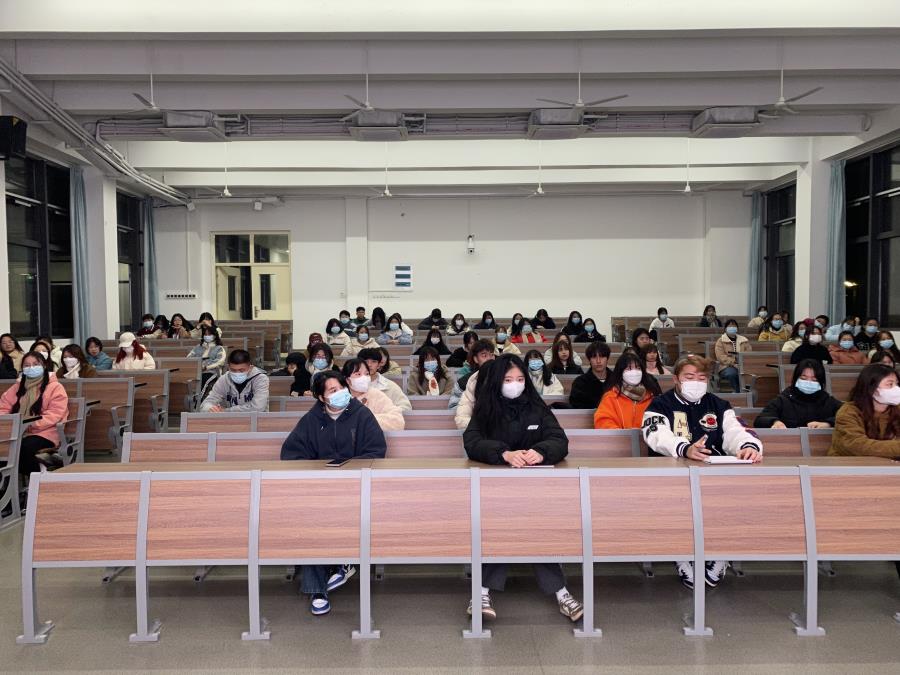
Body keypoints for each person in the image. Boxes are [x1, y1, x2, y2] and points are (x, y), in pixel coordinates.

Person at [463, 355, 583, 623]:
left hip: (534, 491)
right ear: (497, 382)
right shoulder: (486, 409)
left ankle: (561, 593)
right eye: (508, 380)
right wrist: (503, 453)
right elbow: (472, 442)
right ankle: (480, 593)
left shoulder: (536, 407)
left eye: (519, 379)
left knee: (535, 529)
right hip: (496, 491)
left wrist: (540, 452)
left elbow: (559, 440)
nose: (514, 384)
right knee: (499, 529)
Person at [642, 355, 763, 589]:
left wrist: (748, 446)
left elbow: (735, 431)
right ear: (676, 379)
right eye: (689, 377)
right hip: (672, 474)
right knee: (676, 506)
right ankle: (682, 556)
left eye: (701, 378)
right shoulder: (660, 405)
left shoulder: (719, 405)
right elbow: (656, 435)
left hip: (712, 474)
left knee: (732, 500)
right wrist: (685, 448)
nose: (695, 382)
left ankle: (720, 554)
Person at [280, 370, 386, 616]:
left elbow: (376, 451)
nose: (340, 394)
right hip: (319, 491)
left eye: (342, 388)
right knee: (311, 522)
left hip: (357, 488)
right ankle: (318, 589)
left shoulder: (362, 415)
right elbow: (291, 455)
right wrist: (317, 476)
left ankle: (343, 562)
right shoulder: (311, 420)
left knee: (345, 517)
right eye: (333, 391)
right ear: (321, 397)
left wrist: (350, 471)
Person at [0, 352, 68, 473]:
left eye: (35, 364)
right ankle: (8, 481)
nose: (31, 368)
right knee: (5, 447)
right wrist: (10, 425)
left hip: (45, 432)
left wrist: (30, 424)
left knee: (24, 447)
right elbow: (3, 407)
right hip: (17, 432)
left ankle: (38, 476)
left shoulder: (55, 387)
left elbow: (55, 414)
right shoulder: (17, 387)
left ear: (44, 366)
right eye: (27, 365)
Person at [829, 364, 900, 458]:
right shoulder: (848, 411)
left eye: (897, 384)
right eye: (890, 384)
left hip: (886, 464)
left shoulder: (897, 409)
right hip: (849, 464)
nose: (896, 389)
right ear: (871, 388)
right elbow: (856, 445)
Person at [755, 359, 843, 429]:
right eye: (803, 378)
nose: (809, 382)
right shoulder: (783, 399)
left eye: (814, 379)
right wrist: (775, 422)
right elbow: (760, 420)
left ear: (821, 382)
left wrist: (828, 423)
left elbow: (848, 415)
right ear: (796, 379)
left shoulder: (827, 400)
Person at [594, 352, 661, 429]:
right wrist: (623, 434)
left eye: (638, 368)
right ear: (621, 372)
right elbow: (603, 421)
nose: (634, 372)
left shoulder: (651, 396)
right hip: (620, 436)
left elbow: (660, 422)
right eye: (629, 369)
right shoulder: (611, 397)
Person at [341, 359, 405, 430]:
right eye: (358, 374)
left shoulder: (376, 395)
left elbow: (398, 421)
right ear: (347, 380)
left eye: (366, 374)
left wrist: (365, 419)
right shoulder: (339, 397)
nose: (364, 378)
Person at [200, 349, 269, 412]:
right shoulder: (223, 379)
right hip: (230, 420)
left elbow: (258, 407)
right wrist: (210, 408)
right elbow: (206, 404)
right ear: (228, 367)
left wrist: (226, 411)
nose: (237, 373)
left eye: (241, 370)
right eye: (233, 370)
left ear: (250, 367)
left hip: (257, 420)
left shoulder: (261, 379)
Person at [451, 339, 496, 426]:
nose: (489, 359)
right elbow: (455, 408)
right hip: (474, 426)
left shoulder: (505, 378)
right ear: (476, 359)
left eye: (492, 355)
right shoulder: (465, 382)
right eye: (484, 355)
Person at [569, 341, 613, 410]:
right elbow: (576, 407)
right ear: (589, 360)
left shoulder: (616, 380)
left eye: (602, 356)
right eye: (594, 357)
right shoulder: (580, 383)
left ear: (607, 359)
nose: (598, 361)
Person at [713, 320, 748, 392]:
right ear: (725, 329)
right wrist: (734, 363)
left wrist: (741, 363)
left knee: (748, 373)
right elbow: (720, 357)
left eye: (734, 326)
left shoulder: (743, 340)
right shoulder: (721, 341)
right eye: (730, 326)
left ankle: (746, 391)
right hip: (726, 366)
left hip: (742, 365)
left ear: (737, 328)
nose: (732, 327)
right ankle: (739, 393)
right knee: (732, 373)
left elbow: (748, 353)